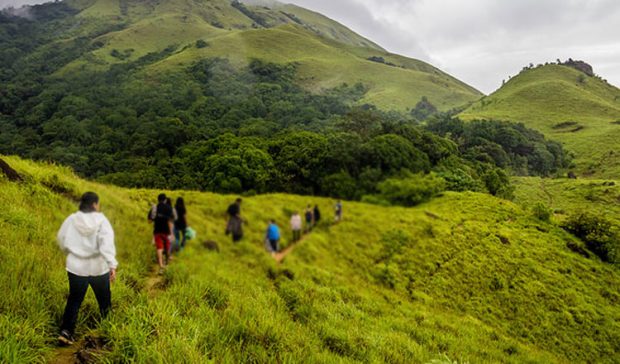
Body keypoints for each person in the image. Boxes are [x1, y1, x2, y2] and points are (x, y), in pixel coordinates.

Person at [57, 192, 117, 346]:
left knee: (75, 300)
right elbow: (107, 244)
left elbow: (61, 239)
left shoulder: (72, 219)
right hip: (98, 268)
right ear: (95, 204)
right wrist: (112, 265)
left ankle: (66, 331)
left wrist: (71, 251)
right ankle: (108, 331)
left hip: (76, 267)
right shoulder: (102, 221)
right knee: (104, 301)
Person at [148, 193, 174, 272]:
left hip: (157, 231)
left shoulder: (155, 208)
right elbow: (170, 221)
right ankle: (167, 262)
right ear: (165, 199)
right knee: (167, 247)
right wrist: (171, 233)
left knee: (159, 248)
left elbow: (149, 221)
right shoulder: (169, 208)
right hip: (166, 231)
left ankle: (161, 266)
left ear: (158, 199)